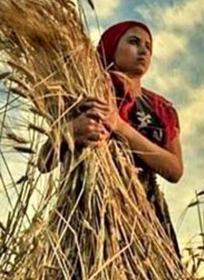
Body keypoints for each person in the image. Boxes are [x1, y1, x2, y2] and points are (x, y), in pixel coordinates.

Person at [38, 20, 183, 255]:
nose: (144, 50)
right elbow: (43, 163)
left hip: (146, 217)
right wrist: (70, 130)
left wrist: (119, 126)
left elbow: (175, 170)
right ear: (111, 46)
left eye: (148, 46)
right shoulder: (82, 90)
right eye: (133, 42)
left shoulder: (161, 108)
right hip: (88, 215)